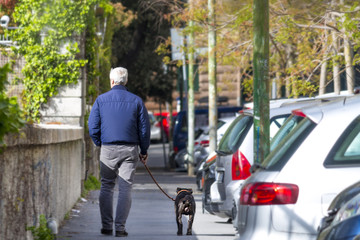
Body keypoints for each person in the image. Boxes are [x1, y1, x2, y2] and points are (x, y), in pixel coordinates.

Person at [88, 67, 150, 237]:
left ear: (111, 81)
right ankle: (120, 228)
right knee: (125, 188)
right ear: (126, 81)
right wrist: (144, 150)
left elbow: (92, 126)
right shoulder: (136, 101)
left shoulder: (101, 100)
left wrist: (100, 143)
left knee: (106, 186)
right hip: (130, 149)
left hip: (108, 148)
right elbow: (144, 129)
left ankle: (107, 227)